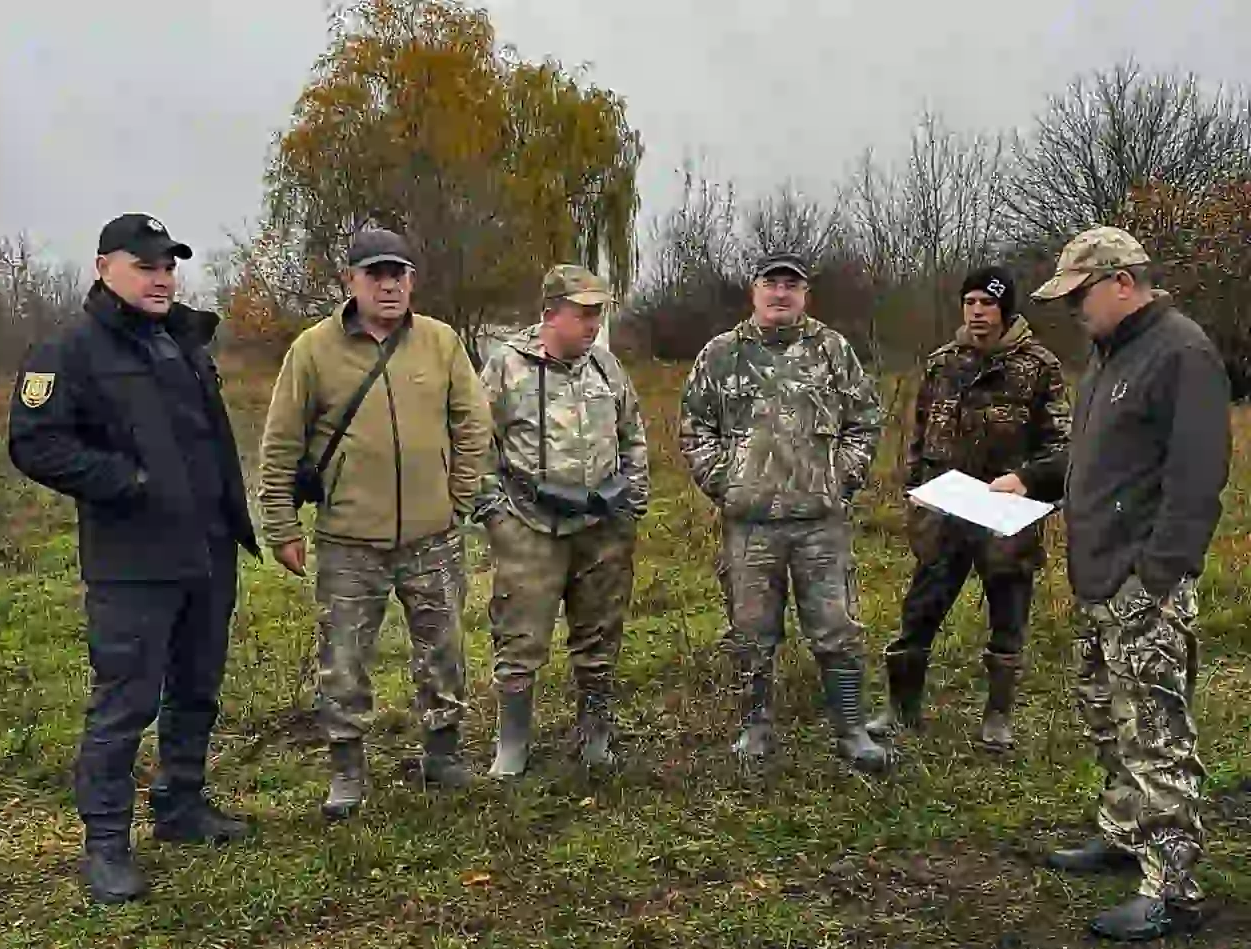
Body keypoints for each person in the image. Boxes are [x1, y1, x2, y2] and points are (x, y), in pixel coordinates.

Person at [7, 213, 261, 904]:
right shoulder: (70, 351)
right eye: (146, 265)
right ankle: (107, 845)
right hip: (134, 559)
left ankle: (180, 805)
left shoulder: (180, 341)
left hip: (206, 549)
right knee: (125, 703)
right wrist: (130, 483)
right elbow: (35, 443)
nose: (162, 278)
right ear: (103, 268)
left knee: (197, 687)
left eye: (169, 266)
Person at [1030, 226, 1231, 941]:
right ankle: (1125, 834)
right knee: (1107, 717)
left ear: (1121, 281)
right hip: (1097, 577)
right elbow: (1095, 457)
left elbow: (1197, 479)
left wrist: (1157, 575)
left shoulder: (1181, 354)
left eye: (1079, 295)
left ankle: (1173, 887)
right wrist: (1030, 479)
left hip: (1143, 584)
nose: (1073, 311)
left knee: (1155, 731)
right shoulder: (1109, 354)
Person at [256, 228, 492, 815]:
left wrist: (456, 497)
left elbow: (472, 423)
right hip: (347, 541)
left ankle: (443, 752)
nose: (388, 285)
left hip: (432, 537)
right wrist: (282, 527)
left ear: (411, 280)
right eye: (375, 274)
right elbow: (280, 444)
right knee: (342, 659)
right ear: (351, 281)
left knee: (443, 650)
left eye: (399, 274)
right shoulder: (313, 350)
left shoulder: (441, 343)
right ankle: (347, 770)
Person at [678, 252, 887, 773]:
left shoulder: (833, 350)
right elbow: (694, 429)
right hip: (750, 526)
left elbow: (864, 422)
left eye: (791, 285)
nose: (780, 293)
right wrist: (726, 484)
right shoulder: (721, 355)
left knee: (837, 627)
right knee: (751, 632)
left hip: (820, 523)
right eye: (771, 284)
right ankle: (756, 726)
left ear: (804, 295)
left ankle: (851, 729)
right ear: (754, 292)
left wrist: (841, 479)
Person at [866, 266, 1070, 751]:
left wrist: (1026, 481)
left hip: (1006, 512)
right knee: (920, 609)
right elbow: (918, 436)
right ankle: (901, 707)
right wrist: (915, 490)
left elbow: (1062, 446)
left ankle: (998, 717)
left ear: (1006, 309)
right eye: (970, 302)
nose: (977, 312)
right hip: (946, 507)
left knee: (1007, 611)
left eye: (987, 303)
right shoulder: (942, 364)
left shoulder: (1039, 367)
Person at [475, 264, 649, 778]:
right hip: (529, 526)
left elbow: (633, 432)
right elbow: (473, 441)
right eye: (584, 313)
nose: (593, 324)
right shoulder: (506, 367)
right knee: (519, 637)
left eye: (598, 313)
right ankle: (512, 744)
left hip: (602, 526)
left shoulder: (606, 367)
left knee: (599, 634)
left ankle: (595, 733)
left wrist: (633, 496)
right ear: (551, 313)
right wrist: (493, 512)